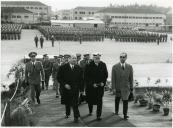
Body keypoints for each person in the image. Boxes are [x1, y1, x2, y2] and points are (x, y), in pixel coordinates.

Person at [57, 55, 83, 123]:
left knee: (75, 104)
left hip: (75, 89)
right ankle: (67, 113)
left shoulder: (79, 68)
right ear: (69, 59)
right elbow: (59, 78)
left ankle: (76, 117)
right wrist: (64, 84)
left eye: (75, 58)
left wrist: (81, 90)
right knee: (67, 103)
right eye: (73, 58)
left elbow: (81, 80)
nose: (74, 60)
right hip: (66, 89)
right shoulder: (63, 67)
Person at [84, 53, 108, 121]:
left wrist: (103, 82)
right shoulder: (88, 65)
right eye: (96, 58)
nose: (97, 59)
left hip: (100, 87)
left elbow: (105, 75)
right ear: (93, 58)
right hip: (91, 87)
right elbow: (86, 77)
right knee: (90, 101)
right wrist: (92, 84)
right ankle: (90, 111)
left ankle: (98, 115)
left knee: (100, 101)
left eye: (99, 58)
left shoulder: (103, 64)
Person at [111, 52, 133, 120]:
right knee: (117, 99)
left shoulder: (129, 67)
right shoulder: (115, 67)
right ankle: (116, 111)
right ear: (119, 58)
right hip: (118, 87)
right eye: (121, 57)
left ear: (126, 58)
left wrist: (131, 87)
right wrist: (113, 88)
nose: (122, 58)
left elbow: (131, 78)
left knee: (125, 101)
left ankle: (125, 114)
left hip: (126, 87)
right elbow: (113, 78)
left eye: (123, 57)